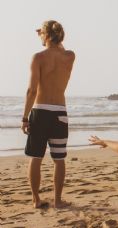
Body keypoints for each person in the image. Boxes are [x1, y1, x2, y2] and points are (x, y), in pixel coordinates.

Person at [21, 20, 75, 209]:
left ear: (46, 35)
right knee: (59, 159)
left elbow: (31, 90)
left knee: (36, 157)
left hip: (40, 112)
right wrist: (49, 36)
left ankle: (36, 199)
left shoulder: (38, 57)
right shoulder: (69, 56)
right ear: (60, 36)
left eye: (42, 34)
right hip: (60, 112)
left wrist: (25, 117)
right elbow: (59, 47)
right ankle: (58, 200)